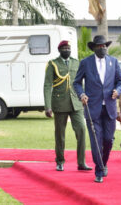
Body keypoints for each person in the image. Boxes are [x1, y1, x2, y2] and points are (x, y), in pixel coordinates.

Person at [73, 35, 121, 183]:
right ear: (94, 48)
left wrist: (117, 91)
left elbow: (120, 81)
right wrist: (81, 94)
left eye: (104, 46)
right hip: (92, 108)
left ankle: (103, 163)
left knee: (108, 140)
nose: (102, 49)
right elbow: (76, 82)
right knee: (96, 140)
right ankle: (99, 170)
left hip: (109, 107)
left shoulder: (113, 62)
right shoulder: (86, 63)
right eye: (99, 47)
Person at [44, 40, 92, 172]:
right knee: (60, 134)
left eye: (68, 48)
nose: (67, 50)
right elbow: (48, 85)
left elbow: (81, 82)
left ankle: (81, 162)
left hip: (76, 103)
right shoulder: (53, 64)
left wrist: (84, 95)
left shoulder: (76, 62)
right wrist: (47, 106)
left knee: (82, 130)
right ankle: (60, 161)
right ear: (59, 50)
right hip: (59, 103)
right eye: (64, 48)